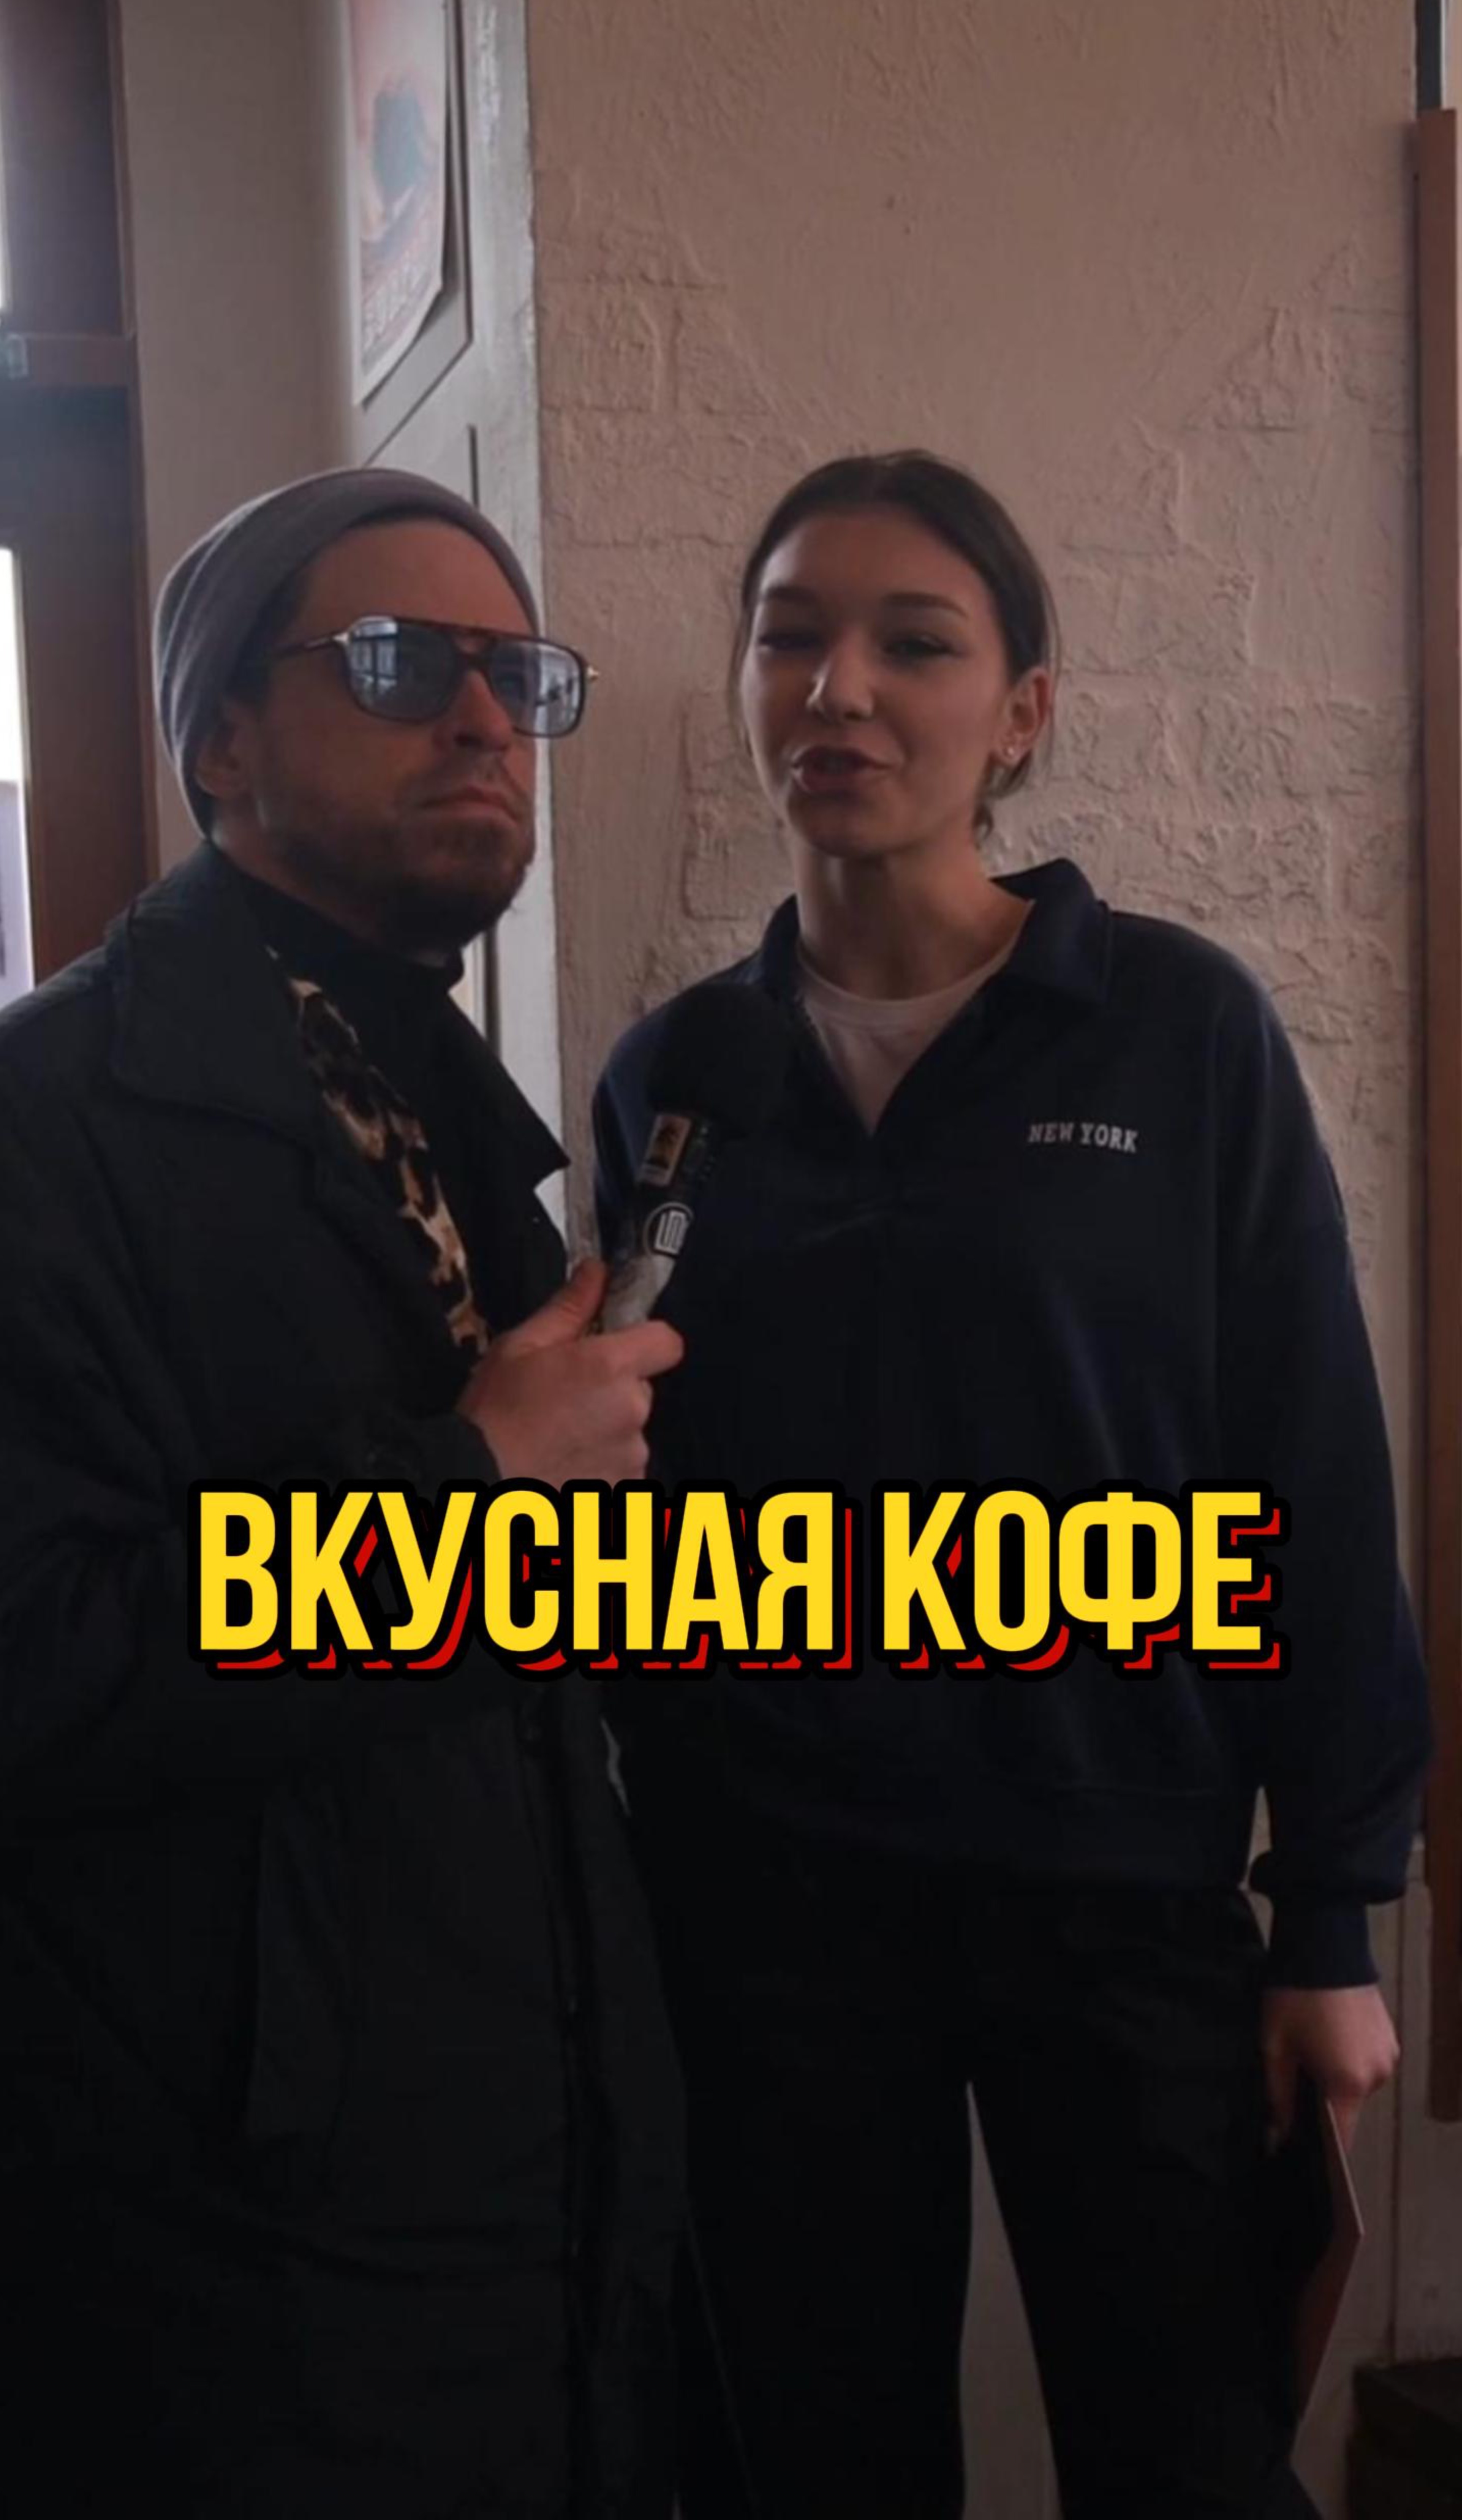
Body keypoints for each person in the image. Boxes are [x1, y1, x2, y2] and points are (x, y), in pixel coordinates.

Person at [593, 450, 1432, 2520]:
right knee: (809, 2464)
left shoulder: (1176, 1030)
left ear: (1020, 711)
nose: (839, 688)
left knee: (1190, 2458)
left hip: (1118, 1884)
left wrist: (1329, 1912)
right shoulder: (673, 1079)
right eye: (789, 638)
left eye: (913, 643)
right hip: (769, 1904)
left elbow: (1308, 1465)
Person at [0, 466, 685, 2518]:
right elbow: (37, 1656)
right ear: (219, 737)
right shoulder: (44, 1127)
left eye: (515, 679)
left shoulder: (456, 1119)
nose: (480, 718)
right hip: (228, 2231)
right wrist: (470, 1482)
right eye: (397, 665)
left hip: (525, 2158)